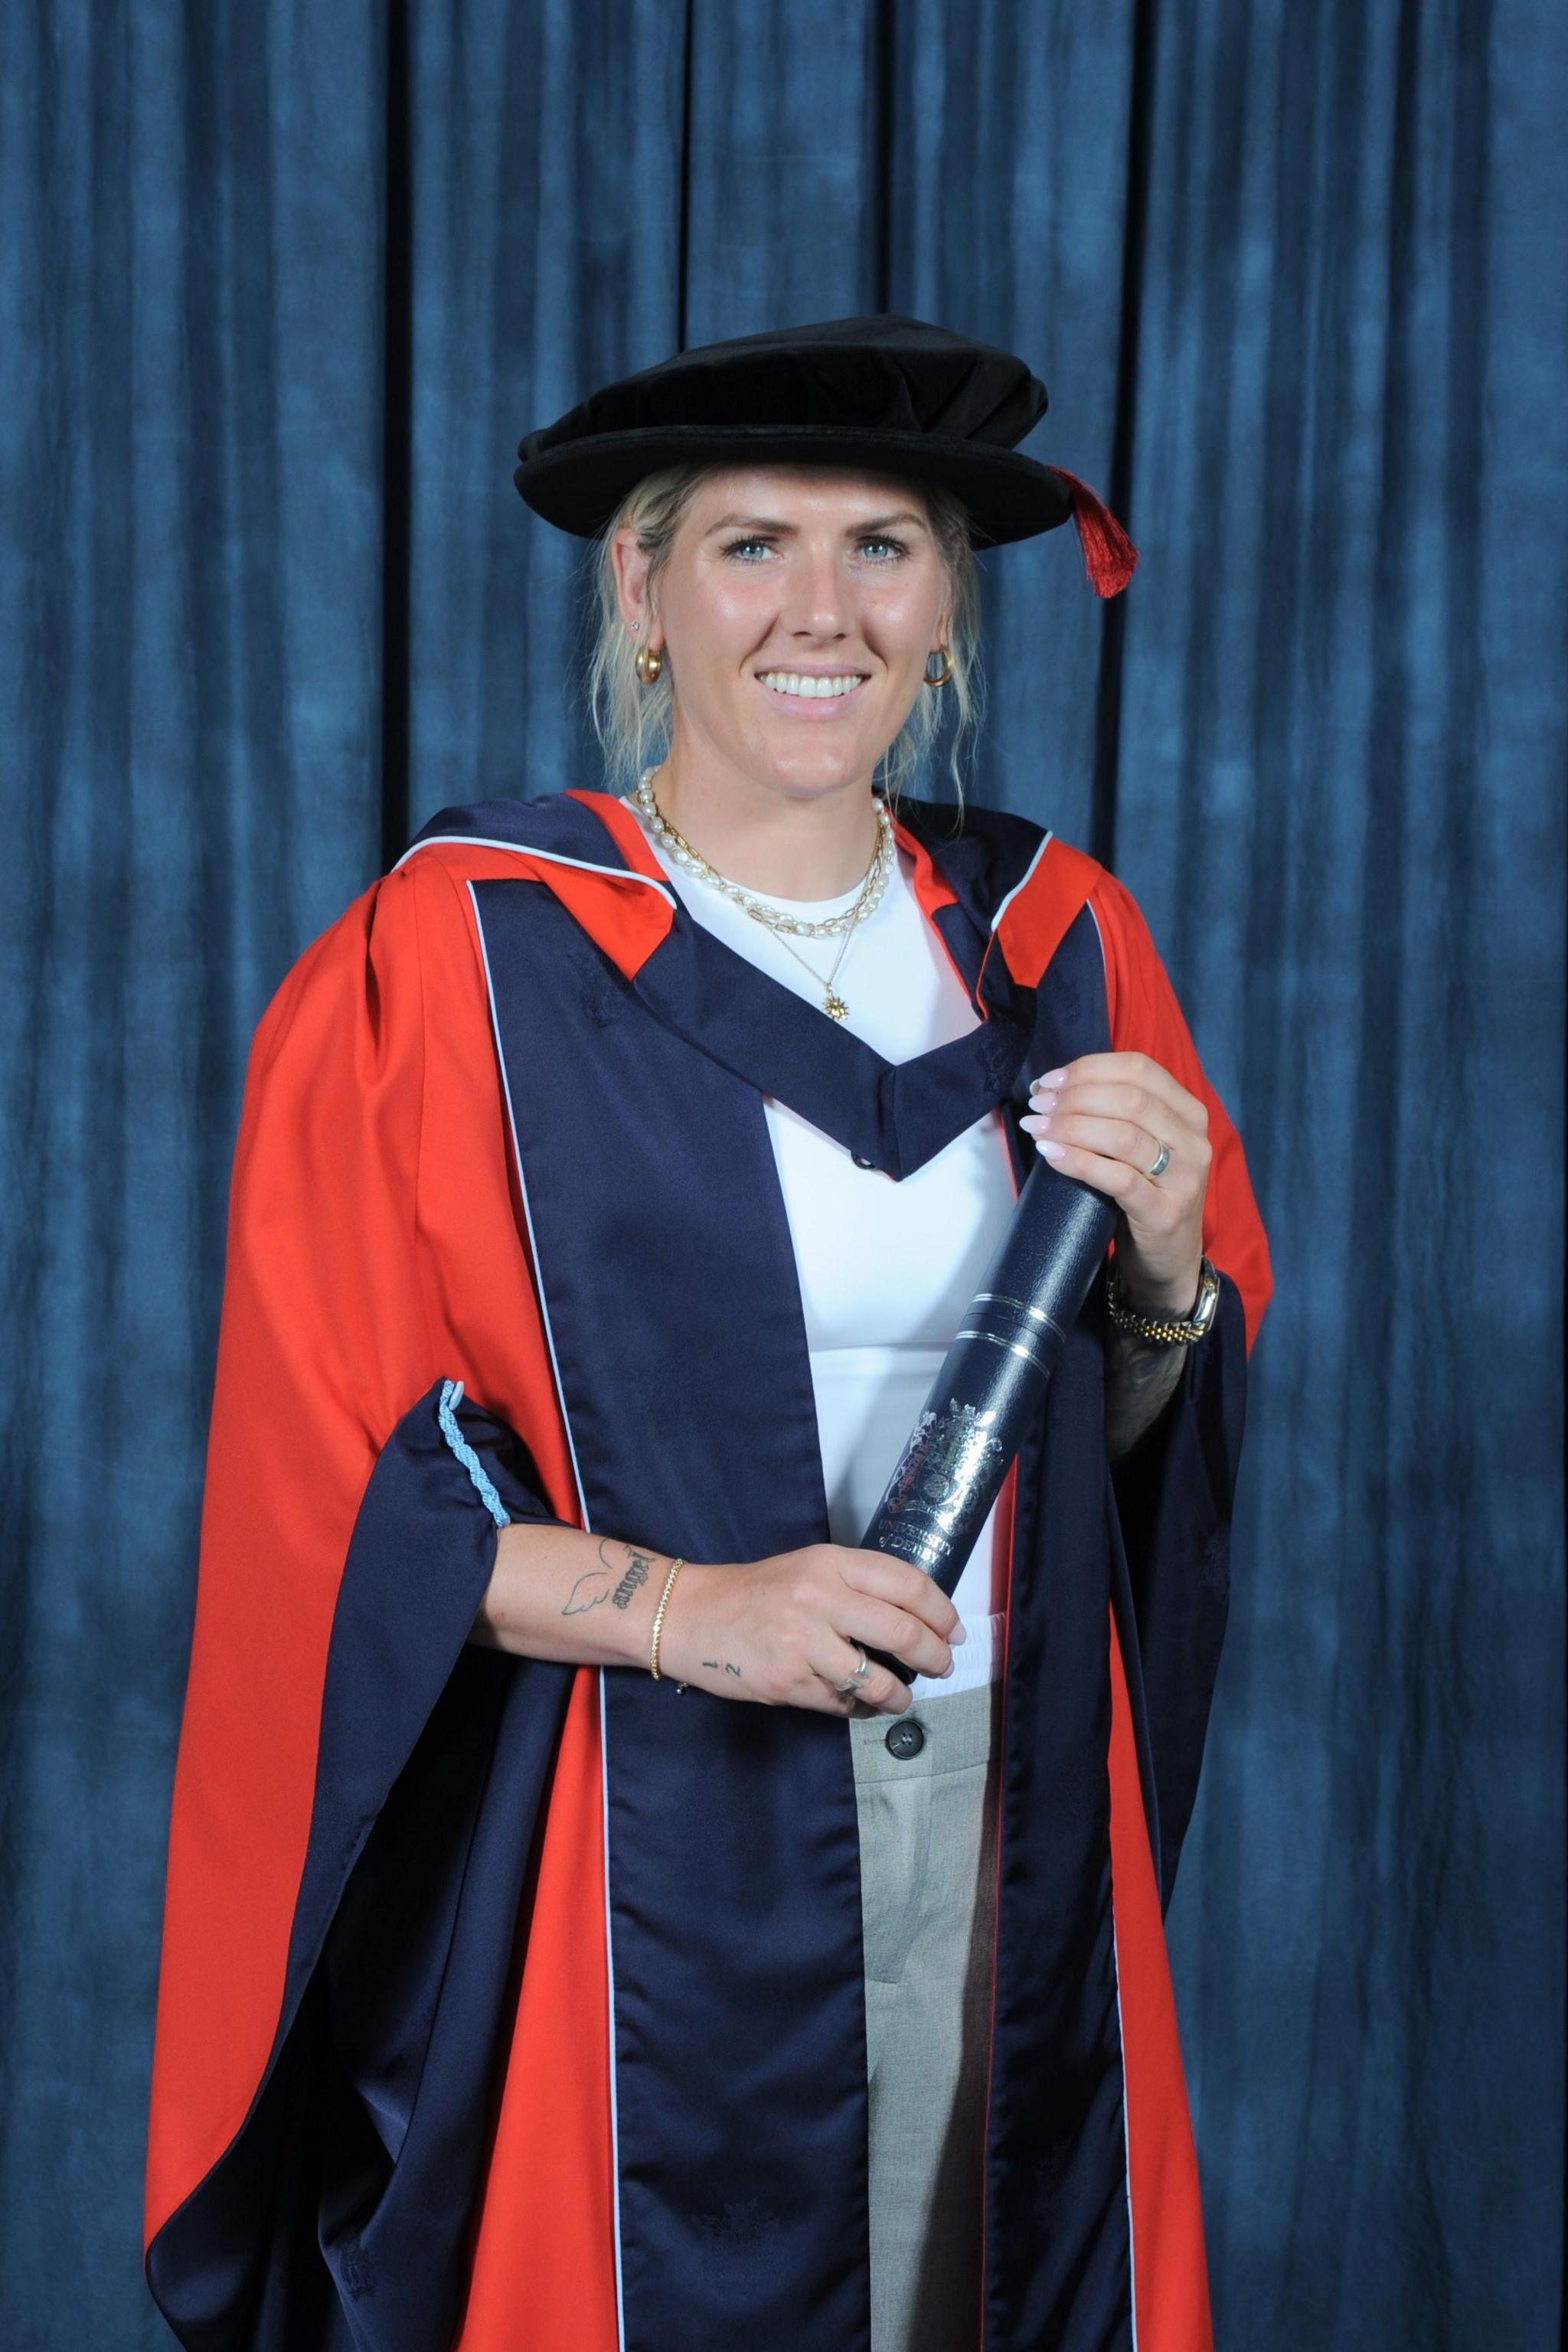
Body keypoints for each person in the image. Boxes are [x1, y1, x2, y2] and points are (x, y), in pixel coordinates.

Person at [143, 315, 1272, 2352]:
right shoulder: (456, 954)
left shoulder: (1063, 941)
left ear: (948, 612)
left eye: (885, 552)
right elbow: (342, 1496)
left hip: (998, 1814)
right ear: (639, 589)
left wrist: (1175, 1270)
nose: (820, 612)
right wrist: (690, 1612)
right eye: (752, 547)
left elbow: (1144, 1443)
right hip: (626, 1833)